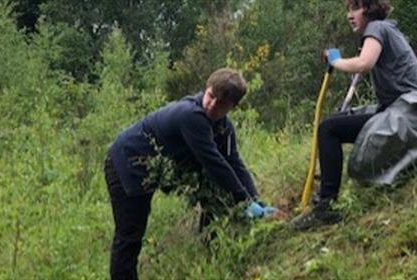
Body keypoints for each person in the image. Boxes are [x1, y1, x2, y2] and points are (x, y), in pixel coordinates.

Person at [104, 68, 278, 280]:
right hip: (127, 161)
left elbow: (234, 162)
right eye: (211, 96)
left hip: (151, 166)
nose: (212, 105)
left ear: (233, 107)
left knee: (214, 196)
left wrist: (255, 200)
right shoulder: (191, 115)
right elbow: (214, 163)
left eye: (221, 103)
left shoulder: (223, 128)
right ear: (206, 89)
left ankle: (210, 258)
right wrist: (243, 200)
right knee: (130, 234)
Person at [291, 0, 417, 231]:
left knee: (328, 129)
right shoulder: (388, 29)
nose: (350, 15)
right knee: (335, 123)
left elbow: (364, 63)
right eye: (349, 9)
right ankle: (328, 198)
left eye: (356, 8)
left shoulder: (377, 28)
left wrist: (336, 61)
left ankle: (326, 206)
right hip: (399, 108)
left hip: (407, 111)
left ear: (370, 10)